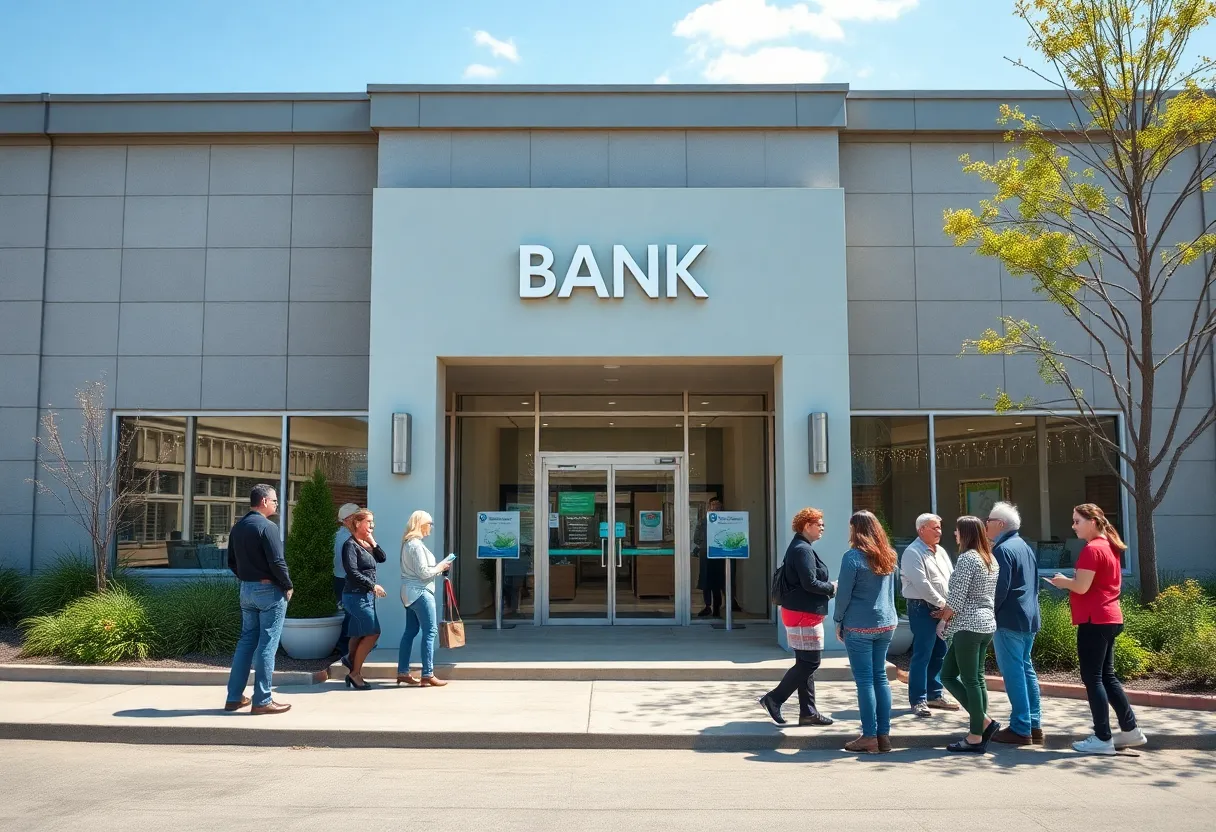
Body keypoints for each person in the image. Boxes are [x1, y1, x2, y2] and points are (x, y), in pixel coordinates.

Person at [1047, 503, 1148, 755]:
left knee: (1093, 678)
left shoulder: (1092, 549)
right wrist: (1070, 582)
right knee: (1107, 676)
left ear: (1092, 522)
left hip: (1095, 619)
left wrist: (1062, 582)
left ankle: (1103, 737)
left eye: (1077, 521)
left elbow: (1081, 587)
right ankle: (1130, 730)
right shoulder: (1109, 547)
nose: (1073, 526)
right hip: (1110, 617)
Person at [758, 507, 836, 727]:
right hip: (804, 614)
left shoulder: (799, 547)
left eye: (822, 523)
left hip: (800, 612)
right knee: (811, 662)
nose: (822, 527)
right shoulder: (802, 550)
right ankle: (774, 698)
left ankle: (808, 712)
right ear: (806, 526)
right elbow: (809, 583)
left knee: (804, 662)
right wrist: (832, 587)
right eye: (818, 523)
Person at [223, 483, 292, 715]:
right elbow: (277, 562)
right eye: (274, 501)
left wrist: (247, 578)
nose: (276, 504)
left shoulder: (238, 527)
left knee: (246, 642)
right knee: (267, 644)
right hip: (268, 590)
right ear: (263, 501)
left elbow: (231, 562)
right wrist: (287, 585)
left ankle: (233, 697)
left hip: (246, 590)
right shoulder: (267, 527)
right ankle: (262, 700)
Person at [834, 510, 899, 754]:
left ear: (855, 529)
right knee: (880, 677)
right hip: (886, 623)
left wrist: (838, 620)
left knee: (864, 681)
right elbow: (893, 592)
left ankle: (869, 736)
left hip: (860, 624)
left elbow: (844, 595)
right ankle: (884, 736)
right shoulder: (889, 555)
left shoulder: (852, 557)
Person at [936, 515, 1001, 753]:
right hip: (986, 625)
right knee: (967, 677)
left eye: (956, 530)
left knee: (966, 679)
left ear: (966, 534)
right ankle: (982, 724)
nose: (954, 534)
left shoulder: (967, 559)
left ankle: (977, 733)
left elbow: (957, 598)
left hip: (968, 626)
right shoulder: (990, 559)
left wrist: (943, 620)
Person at [986, 501, 1044, 746]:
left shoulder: (1002, 550)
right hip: (1029, 617)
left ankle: (1021, 727)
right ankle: (1034, 723)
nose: (985, 525)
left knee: (1014, 673)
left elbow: (999, 589)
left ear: (1000, 524)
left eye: (988, 521)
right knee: (1025, 669)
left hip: (1008, 619)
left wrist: (989, 613)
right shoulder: (1024, 546)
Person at [900, 513, 959, 718]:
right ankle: (918, 699)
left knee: (940, 651)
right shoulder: (912, 552)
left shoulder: (941, 551)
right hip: (922, 608)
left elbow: (951, 578)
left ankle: (935, 693)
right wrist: (944, 605)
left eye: (940, 528)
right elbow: (922, 584)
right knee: (923, 653)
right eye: (934, 528)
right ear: (921, 529)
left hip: (943, 608)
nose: (939, 531)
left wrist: (949, 607)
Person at [398, 509, 453, 687]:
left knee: (410, 631)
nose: (431, 527)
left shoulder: (408, 543)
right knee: (430, 632)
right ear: (421, 524)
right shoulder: (415, 545)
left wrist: (437, 567)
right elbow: (423, 573)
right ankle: (427, 674)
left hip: (409, 593)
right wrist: (441, 566)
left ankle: (403, 671)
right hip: (421, 592)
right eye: (429, 524)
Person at [340, 509, 388, 690]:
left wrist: (373, 542)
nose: (372, 526)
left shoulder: (365, 543)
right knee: (373, 632)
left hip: (365, 596)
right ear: (358, 523)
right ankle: (354, 673)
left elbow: (382, 558)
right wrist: (372, 585)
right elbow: (352, 572)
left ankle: (349, 659)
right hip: (355, 596)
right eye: (368, 522)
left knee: (358, 632)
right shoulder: (350, 545)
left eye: (372, 522)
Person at [333, 502, 360, 665]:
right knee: (351, 616)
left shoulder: (337, 535)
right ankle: (346, 650)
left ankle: (346, 648)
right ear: (349, 519)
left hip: (340, 578)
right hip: (347, 580)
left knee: (349, 615)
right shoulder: (347, 539)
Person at [694, 499, 726, 617]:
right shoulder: (703, 521)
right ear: (709, 507)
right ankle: (708, 606)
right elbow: (696, 538)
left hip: (720, 555)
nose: (715, 507)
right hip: (706, 554)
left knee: (718, 582)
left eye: (718, 505)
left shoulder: (725, 521)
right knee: (706, 582)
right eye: (713, 505)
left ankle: (717, 608)